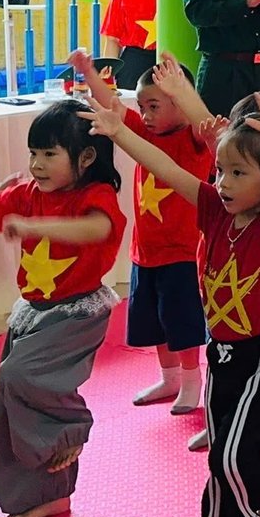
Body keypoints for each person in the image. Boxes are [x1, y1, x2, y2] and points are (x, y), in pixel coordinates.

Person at [88, 90, 260, 517]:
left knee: (232, 456)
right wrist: (120, 133)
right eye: (221, 171)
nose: (223, 182)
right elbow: (165, 167)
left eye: (238, 173)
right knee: (219, 461)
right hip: (222, 354)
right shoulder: (213, 211)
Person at [0, 102, 125, 517]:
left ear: (86, 157)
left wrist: (35, 227)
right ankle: (50, 495)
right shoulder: (25, 195)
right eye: (33, 153)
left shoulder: (94, 195)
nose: (37, 164)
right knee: (13, 403)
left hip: (77, 314)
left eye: (49, 154)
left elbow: (97, 229)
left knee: (18, 376)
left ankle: (72, 426)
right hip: (34, 311)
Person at [71, 48, 213, 418]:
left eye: (154, 107)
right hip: (146, 251)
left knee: (183, 323)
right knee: (157, 322)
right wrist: (88, 72)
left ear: (180, 104)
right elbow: (113, 107)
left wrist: (181, 89)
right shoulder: (143, 134)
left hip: (182, 252)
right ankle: (169, 377)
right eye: (143, 107)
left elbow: (205, 123)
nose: (146, 115)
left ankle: (192, 378)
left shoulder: (194, 142)